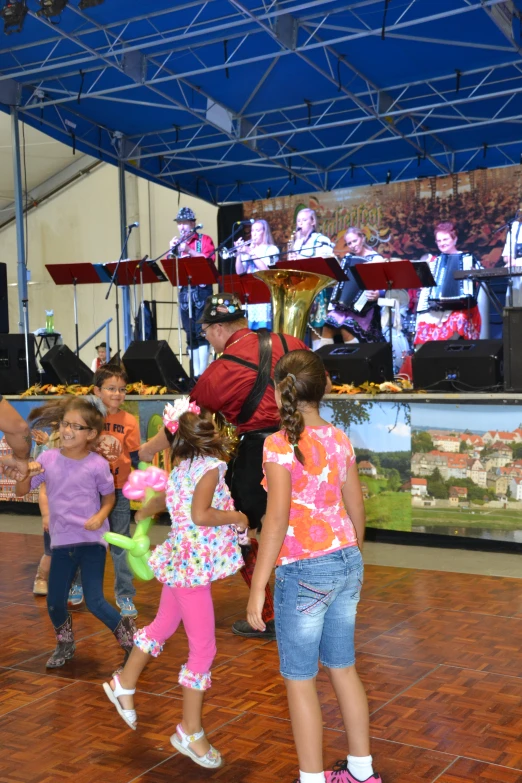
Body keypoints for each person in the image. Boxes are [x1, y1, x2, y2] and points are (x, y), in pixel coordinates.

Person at [139, 292, 308, 640]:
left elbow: (184, 422)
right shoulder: (291, 342)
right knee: (300, 526)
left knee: (243, 531)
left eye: (205, 333)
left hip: (260, 454)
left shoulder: (221, 370)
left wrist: (147, 450)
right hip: (303, 447)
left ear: (216, 330)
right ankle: (309, 606)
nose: (209, 341)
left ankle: (268, 614)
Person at [246, 350, 382, 783]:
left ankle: (311, 778)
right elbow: (356, 507)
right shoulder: (339, 438)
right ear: (324, 385)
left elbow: (276, 520)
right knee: (343, 667)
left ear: (279, 389)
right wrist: (351, 556)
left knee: (300, 678)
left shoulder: (279, 444)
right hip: (346, 561)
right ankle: (362, 772)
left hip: (304, 571)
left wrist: (257, 586)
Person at [103, 399, 247, 769]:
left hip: (183, 561)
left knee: (164, 624)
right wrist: (238, 515)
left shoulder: (182, 469)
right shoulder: (210, 467)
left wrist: (142, 516)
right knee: (204, 650)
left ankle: (125, 682)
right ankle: (190, 730)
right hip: (191, 569)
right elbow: (201, 515)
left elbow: (158, 505)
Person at [14, 396, 136, 669]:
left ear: (91, 434)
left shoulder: (97, 464)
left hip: (91, 542)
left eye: (75, 426)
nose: (67, 430)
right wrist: (22, 472)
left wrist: (100, 517)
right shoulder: (48, 458)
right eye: (65, 424)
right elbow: (21, 491)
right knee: (55, 602)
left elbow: (109, 499)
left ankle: (131, 643)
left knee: (94, 600)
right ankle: (65, 643)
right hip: (60, 542)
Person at [93, 364, 140, 618]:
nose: (117, 393)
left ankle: (125, 595)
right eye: (111, 388)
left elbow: (134, 456)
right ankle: (78, 583)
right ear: (97, 390)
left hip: (119, 490)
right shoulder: (88, 417)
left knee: (121, 543)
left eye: (122, 389)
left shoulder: (129, 420)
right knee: (86, 539)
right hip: (90, 491)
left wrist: (143, 479)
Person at [415, 221, 482, 344]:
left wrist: (474, 276)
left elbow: (480, 281)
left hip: (462, 307)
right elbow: (423, 286)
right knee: (422, 323)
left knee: (458, 320)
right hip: (438, 308)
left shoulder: (466, 259)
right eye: (439, 241)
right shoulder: (433, 262)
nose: (442, 243)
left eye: (445, 239)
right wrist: (425, 285)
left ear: (455, 239)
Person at [169, 206, 217, 378]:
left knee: (201, 331)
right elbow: (171, 268)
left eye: (184, 223)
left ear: (192, 224)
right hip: (185, 292)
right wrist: (172, 252)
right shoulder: (178, 243)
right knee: (189, 332)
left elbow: (209, 260)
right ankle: (195, 373)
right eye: (179, 223)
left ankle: (202, 373)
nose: (181, 227)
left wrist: (188, 251)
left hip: (202, 292)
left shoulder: (204, 240)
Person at [321, 227, 384, 349]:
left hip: (365, 308)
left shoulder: (376, 259)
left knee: (347, 328)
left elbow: (384, 287)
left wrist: (378, 294)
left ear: (363, 238)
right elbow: (342, 283)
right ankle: (323, 361)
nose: (352, 245)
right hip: (345, 307)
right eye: (349, 243)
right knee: (328, 325)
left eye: (355, 241)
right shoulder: (348, 259)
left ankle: (353, 362)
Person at [290, 208, 336, 344]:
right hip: (301, 288)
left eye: (304, 220)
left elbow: (325, 262)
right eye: (298, 221)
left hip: (318, 290)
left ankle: (320, 356)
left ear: (313, 222)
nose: (300, 224)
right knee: (304, 329)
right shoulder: (297, 243)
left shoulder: (321, 239)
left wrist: (300, 258)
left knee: (318, 329)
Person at [235, 218, 279, 329]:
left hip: (264, 295)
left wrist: (251, 253)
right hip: (250, 295)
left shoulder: (271, 249)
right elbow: (239, 272)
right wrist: (239, 254)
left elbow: (266, 270)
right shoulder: (248, 250)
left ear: (265, 232)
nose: (254, 234)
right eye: (252, 231)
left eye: (258, 230)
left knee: (263, 331)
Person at [502, 216, 522, 306]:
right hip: (516, 282)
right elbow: (506, 256)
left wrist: (517, 262)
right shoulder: (516, 227)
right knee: (514, 314)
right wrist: (511, 261)